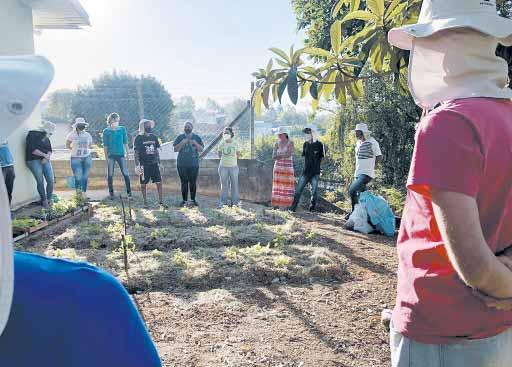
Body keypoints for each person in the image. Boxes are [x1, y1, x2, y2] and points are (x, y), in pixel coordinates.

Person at [0, 54, 162, 366]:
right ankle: (91, 194)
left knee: (87, 177)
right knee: (85, 180)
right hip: (84, 161)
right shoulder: (84, 297)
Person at [387, 1, 512, 366]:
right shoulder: (505, 115)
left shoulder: (448, 123)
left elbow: (474, 266)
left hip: (440, 329)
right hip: (497, 327)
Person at [346, 123, 382, 218]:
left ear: (363, 133)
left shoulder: (372, 142)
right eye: (356, 132)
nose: (356, 134)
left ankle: (354, 213)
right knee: (363, 197)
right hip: (358, 173)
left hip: (366, 174)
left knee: (352, 190)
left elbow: (379, 156)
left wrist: (372, 167)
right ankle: (369, 215)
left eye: (357, 132)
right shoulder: (358, 143)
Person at [290, 126, 325, 212]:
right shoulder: (305, 144)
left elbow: (323, 158)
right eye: (306, 133)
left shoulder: (320, 145)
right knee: (298, 190)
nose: (307, 135)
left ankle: (312, 209)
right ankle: (292, 208)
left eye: (308, 133)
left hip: (315, 172)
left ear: (313, 133)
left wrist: (320, 169)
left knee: (314, 192)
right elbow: (305, 157)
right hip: (305, 172)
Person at [134, 119, 166, 208]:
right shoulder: (138, 138)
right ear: (142, 127)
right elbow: (136, 153)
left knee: (159, 182)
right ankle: (145, 202)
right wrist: (137, 165)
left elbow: (156, 151)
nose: (148, 127)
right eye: (146, 125)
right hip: (144, 165)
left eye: (149, 125)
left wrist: (159, 163)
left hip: (154, 163)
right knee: (143, 184)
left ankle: (161, 202)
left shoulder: (154, 137)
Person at [26, 121, 56, 209]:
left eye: (51, 133)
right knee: (40, 181)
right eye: (49, 133)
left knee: (50, 180)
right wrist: (44, 156)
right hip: (33, 160)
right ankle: (44, 201)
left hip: (45, 159)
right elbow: (32, 149)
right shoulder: (32, 134)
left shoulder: (47, 138)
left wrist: (47, 157)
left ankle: (49, 199)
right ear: (44, 130)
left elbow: (50, 150)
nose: (50, 135)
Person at [173, 122, 204, 207]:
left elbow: (201, 149)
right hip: (182, 164)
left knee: (193, 182)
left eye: (189, 127)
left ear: (192, 128)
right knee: (184, 182)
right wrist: (182, 142)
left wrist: (195, 143)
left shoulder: (196, 137)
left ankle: (193, 200)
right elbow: (175, 149)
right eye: (185, 127)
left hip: (194, 164)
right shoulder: (180, 137)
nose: (187, 128)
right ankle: (184, 201)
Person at [102, 113, 132, 199]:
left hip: (121, 154)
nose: (116, 122)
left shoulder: (122, 129)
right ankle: (111, 193)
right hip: (111, 155)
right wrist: (106, 157)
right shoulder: (106, 131)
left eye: (117, 120)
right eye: (114, 120)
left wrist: (128, 153)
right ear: (110, 121)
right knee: (110, 174)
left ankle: (129, 193)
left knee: (126, 173)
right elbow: (105, 145)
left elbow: (125, 142)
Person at [66, 117, 93, 196]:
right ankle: (79, 195)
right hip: (75, 158)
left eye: (83, 125)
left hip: (87, 157)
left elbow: (90, 145)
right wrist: (74, 150)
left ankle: (84, 194)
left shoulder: (88, 135)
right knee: (78, 177)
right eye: (80, 125)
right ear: (76, 125)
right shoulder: (72, 134)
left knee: (85, 177)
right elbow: (67, 144)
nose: (82, 126)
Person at [271, 126, 295, 209]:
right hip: (278, 167)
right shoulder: (276, 143)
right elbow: (273, 156)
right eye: (278, 134)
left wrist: (279, 155)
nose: (278, 136)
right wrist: (281, 155)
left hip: (287, 168)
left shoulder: (290, 142)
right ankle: (276, 205)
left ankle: (286, 205)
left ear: (285, 134)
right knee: (278, 185)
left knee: (286, 185)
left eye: (280, 134)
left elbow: (289, 154)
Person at [217, 127, 241, 208]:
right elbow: (219, 154)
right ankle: (223, 202)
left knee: (234, 185)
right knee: (224, 185)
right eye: (224, 133)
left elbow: (238, 155)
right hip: (223, 167)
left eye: (227, 133)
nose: (226, 134)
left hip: (234, 167)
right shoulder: (221, 143)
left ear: (231, 134)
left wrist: (233, 159)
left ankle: (235, 203)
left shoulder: (236, 143)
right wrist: (225, 159)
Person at [0, 141, 15, 205]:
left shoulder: (4, 134)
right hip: (1, 167)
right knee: (2, 192)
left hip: (10, 165)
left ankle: (7, 212)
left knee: (8, 191)